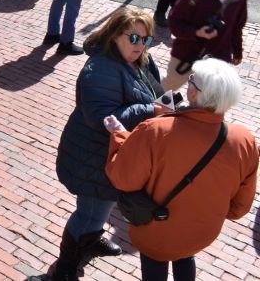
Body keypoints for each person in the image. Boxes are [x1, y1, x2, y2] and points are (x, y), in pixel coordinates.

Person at [105, 58, 258, 281]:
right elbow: (238, 209)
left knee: (155, 262)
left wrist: (120, 136)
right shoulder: (244, 140)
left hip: (157, 230)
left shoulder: (155, 129)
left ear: (195, 94)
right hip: (201, 233)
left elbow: (123, 177)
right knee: (185, 256)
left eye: (192, 81)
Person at [46, 7, 166, 280]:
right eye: (134, 38)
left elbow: (155, 93)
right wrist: (151, 111)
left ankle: (93, 238)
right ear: (114, 35)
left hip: (116, 156)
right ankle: (65, 268)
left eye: (145, 39)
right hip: (94, 157)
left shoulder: (141, 60)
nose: (141, 45)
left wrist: (169, 102)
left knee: (103, 207)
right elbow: (103, 118)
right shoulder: (99, 68)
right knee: (89, 212)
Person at [163, 0, 247, 91]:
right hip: (186, 54)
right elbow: (174, 23)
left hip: (218, 57)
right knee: (167, 89)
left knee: (210, 97)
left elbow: (237, 26)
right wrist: (196, 32)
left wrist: (237, 51)